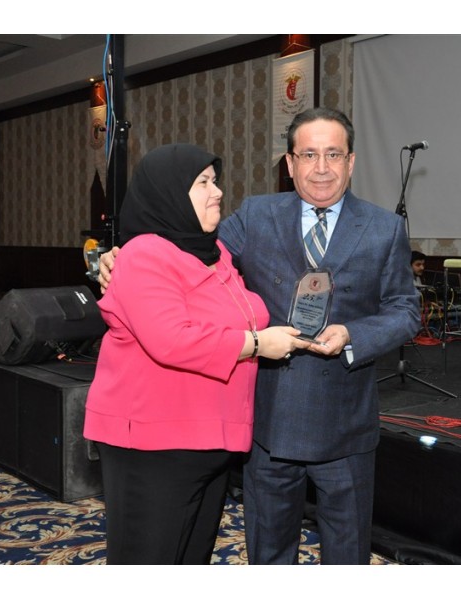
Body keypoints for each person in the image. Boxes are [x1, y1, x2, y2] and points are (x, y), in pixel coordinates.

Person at [98, 108, 420, 564]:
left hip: (345, 422)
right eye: (308, 154)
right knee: (269, 553)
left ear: (351, 161)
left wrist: (353, 334)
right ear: (290, 163)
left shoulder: (383, 228)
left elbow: (405, 311)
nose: (321, 167)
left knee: (348, 554)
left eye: (333, 154)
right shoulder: (256, 214)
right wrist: (118, 254)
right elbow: (184, 245)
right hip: (269, 421)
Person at [83, 143, 310, 565]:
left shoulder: (214, 252)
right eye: (203, 182)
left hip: (209, 440)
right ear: (169, 193)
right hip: (154, 447)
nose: (218, 191)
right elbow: (171, 339)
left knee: (191, 559)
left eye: (215, 180)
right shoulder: (145, 254)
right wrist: (258, 344)